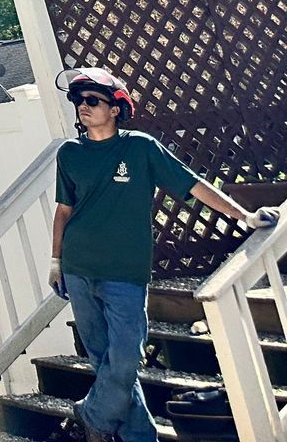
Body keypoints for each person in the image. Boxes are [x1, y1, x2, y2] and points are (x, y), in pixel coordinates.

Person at [50, 68, 279, 442]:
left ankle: (91, 416)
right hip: (77, 268)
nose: (83, 107)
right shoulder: (70, 153)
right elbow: (63, 211)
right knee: (104, 361)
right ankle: (140, 436)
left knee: (124, 360)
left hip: (124, 272)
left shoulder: (140, 147)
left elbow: (193, 185)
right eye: (79, 101)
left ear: (116, 108)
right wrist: (55, 262)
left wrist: (246, 215)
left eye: (92, 100)